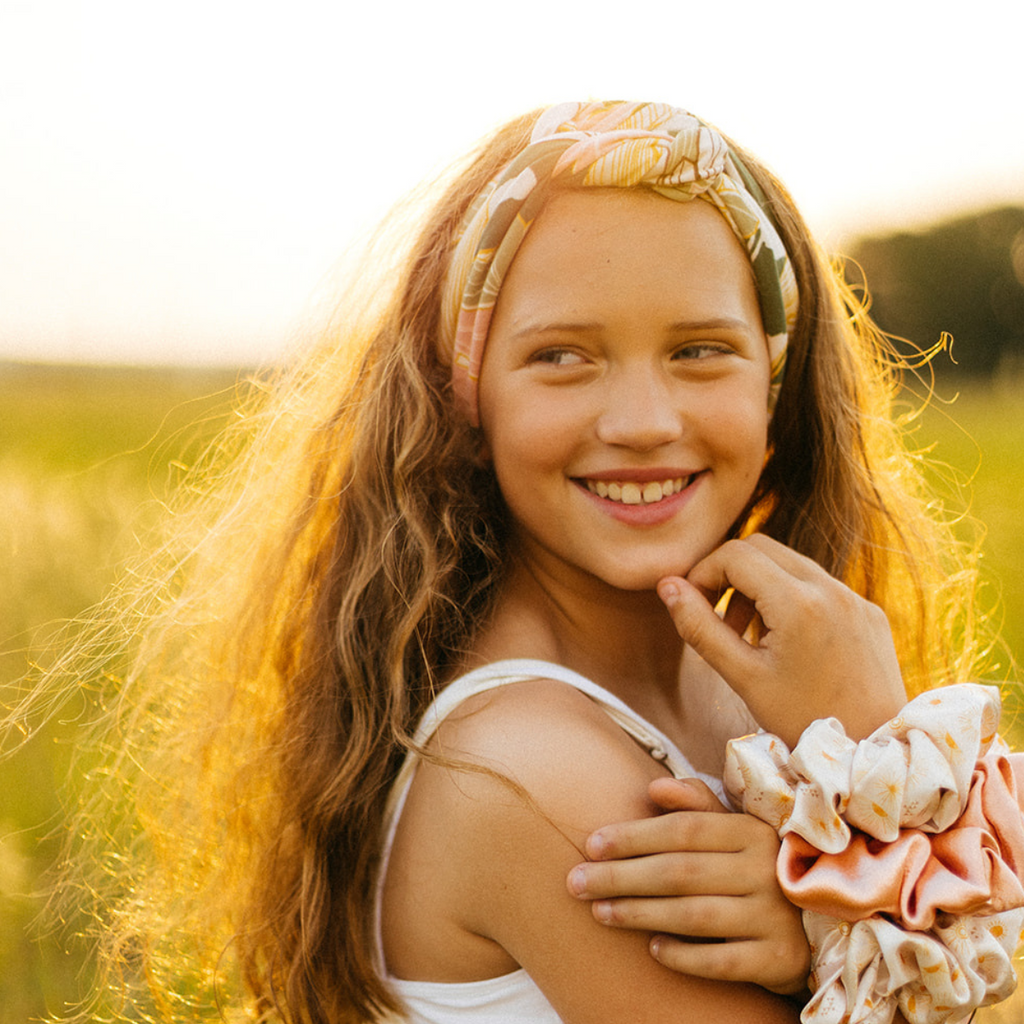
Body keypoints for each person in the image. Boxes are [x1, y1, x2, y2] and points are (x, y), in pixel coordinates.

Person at [35, 100, 1012, 1023]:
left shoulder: (752, 684)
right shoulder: (537, 780)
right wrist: (884, 798)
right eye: (561, 356)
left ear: (775, 391)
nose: (642, 421)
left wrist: (832, 900)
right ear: (467, 400)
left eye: (700, 350)